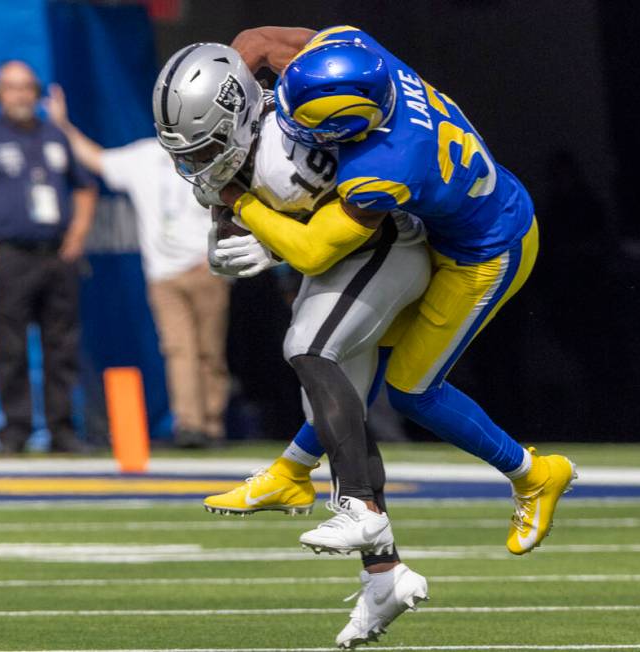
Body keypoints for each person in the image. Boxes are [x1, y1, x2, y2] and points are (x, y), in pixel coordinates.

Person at [214, 24, 575, 561]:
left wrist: (240, 201)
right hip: (443, 226)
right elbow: (257, 41)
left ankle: (534, 473)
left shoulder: (382, 169)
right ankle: (291, 472)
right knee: (354, 354)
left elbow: (314, 252)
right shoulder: (353, 53)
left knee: (411, 388)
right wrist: (230, 103)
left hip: (485, 252)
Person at [153, 43, 431, 644]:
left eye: (202, 146)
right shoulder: (232, 154)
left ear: (235, 116)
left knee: (308, 347)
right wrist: (226, 233)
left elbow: (354, 222)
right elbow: (229, 202)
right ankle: (384, 573)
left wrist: (274, 243)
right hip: (342, 259)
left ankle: (357, 505)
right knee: (332, 412)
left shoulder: (293, 149)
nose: (196, 163)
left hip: (391, 248)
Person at [45, 84, 230, 449]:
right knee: (179, 349)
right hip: (163, 274)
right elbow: (96, 159)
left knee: (210, 350)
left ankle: (212, 422)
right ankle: (189, 425)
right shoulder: (143, 157)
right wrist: (62, 125)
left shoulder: (209, 153)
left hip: (206, 266)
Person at [0, 61, 98, 455]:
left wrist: (78, 235)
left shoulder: (55, 136)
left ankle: (62, 429)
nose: (19, 95)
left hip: (55, 254)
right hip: (12, 255)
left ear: (36, 92)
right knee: (11, 348)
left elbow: (85, 188)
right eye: (11, 88)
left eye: (26, 88)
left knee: (61, 346)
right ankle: (15, 429)